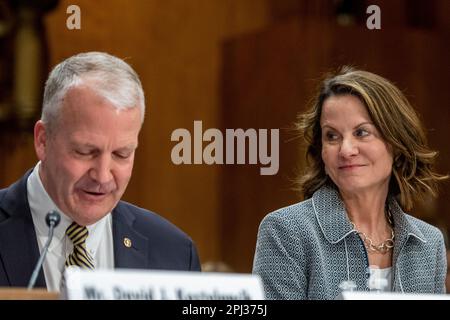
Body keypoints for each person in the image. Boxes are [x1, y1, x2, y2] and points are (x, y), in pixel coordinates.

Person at [0, 52, 201, 292]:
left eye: (121, 154)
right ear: (43, 141)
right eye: (86, 152)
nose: (103, 176)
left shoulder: (174, 254)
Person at [252, 67, 448, 299]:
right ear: (321, 151)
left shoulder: (429, 243)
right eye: (331, 136)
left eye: (362, 132)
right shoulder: (286, 231)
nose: (346, 150)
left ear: (396, 143)